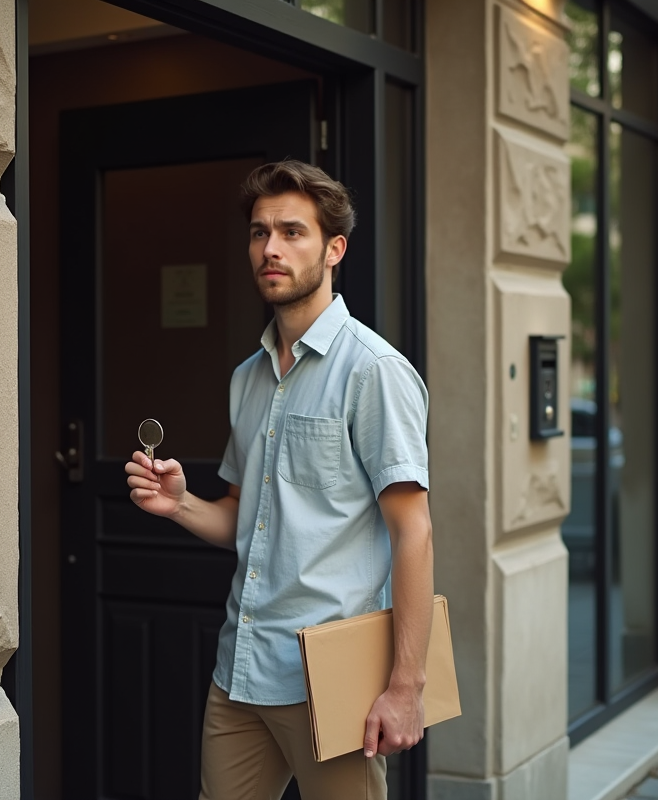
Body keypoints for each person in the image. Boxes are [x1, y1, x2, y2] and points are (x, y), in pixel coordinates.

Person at [124, 160, 433, 800]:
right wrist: (181, 506)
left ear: (334, 249)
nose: (271, 248)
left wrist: (405, 687)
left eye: (293, 232)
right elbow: (246, 520)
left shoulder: (372, 371)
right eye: (260, 232)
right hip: (241, 667)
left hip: (334, 677)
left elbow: (414, 533)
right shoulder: (248, 378)